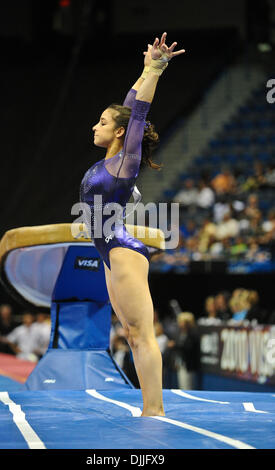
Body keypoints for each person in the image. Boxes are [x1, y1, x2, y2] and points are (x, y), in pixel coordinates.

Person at [79, 32, 185, 416]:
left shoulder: (126, 162)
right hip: (111, 252)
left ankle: (154, 411)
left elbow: (137, 114)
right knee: (131, 334)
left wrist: (156, 69)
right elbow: (130, 107)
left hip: (122, 250)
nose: (96, 126)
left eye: (102, 122)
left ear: (119, 133)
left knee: (141, 335)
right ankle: (150, 407)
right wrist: (144, 69)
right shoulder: (110, 159)